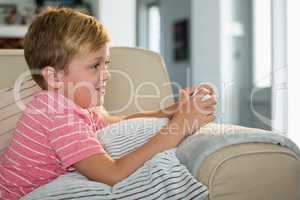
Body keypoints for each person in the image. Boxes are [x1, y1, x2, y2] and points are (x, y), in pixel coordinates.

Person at [0, 7, 217, 200]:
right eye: (95, 66)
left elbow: (116, 121)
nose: (106, 75)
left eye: (107, 63)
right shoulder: (54, 110)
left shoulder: (77, 106)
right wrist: (177, 126)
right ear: (54, 77)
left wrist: (170, 111)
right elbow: (111, 174)